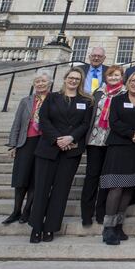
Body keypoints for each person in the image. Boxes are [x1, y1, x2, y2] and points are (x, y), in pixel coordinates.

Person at [29, 67, 93, 243]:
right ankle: (36, 226)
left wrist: (71, 137)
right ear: (65, 79)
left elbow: (85, 124)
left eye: (77, 79)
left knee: (61, 191)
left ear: (81, 82)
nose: (73, 81)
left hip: (71, 150)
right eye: (71, 78)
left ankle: (50, 227)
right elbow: (44, 120)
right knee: (41, 188)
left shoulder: (86, 101)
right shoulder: (52, 97)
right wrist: (57, 139)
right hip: (49, 149)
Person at [100, 71, 135, 245]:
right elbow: (114, 121)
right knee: (116, 187)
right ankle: (108, 228)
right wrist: (132, 133)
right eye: (132, 81)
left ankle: (119, 225)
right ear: (127, 82)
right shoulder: (118, 100)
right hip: (120, 146)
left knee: (129, 188)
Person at [4, 69, 52, 225]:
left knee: (35, 179)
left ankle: (27, 210)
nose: (40, 84)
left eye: (43, 81)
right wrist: (12, 144)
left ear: (50, 83)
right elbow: (17, 123)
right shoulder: (26, 101)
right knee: (21, 178)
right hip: (26, 142)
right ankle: (16, 210)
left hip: (44, 142)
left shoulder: (54, 100)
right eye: (37, 81)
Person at [81, 66, 126, 227]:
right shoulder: (98, 93)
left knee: (106, 179)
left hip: (113, 141)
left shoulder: (125, 94)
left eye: (117, 75)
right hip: (95, 140)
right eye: (111, 75)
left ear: (122, 77)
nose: (113, 78)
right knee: (92, 176)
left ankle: (101, 211)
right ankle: (86, 213)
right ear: (106, 77)